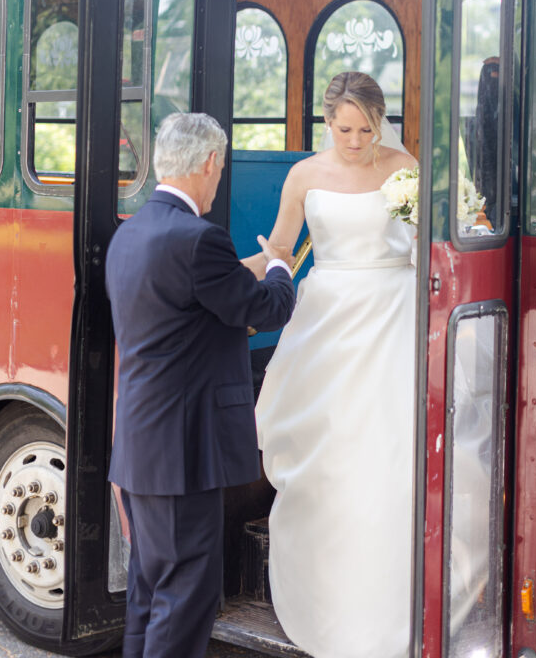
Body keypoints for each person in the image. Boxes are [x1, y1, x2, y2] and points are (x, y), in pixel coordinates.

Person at [105, 112, 295, 658]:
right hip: (184, 456)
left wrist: (247, 269)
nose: (219, 179)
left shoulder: (131, 233)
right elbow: (265, 308)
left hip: (142, 451)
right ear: (210, 163)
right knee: (184, 601)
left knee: (149, 592)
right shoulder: (198, 240)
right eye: (221, 168)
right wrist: (280, 265)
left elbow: (189, 310)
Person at [255, 71, 418, 658]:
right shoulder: (305, 175)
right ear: (328, 123)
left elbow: (425, 243)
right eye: (344, 129)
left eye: (366, 129)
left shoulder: (405, 167)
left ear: (381, 122)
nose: (355, 140)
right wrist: (226, 276)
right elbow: (280, 246)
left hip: (393, 318)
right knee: (330, 454)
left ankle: (394, 609)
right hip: (327, 318)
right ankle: (327, 602)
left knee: (388, 455)